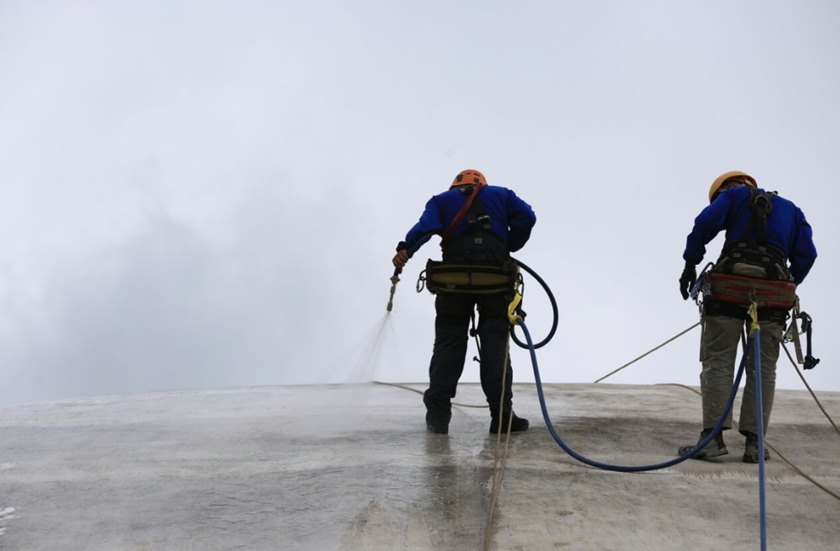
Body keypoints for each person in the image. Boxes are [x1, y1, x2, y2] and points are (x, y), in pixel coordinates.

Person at [677, 170, 817, 463]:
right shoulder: (791, 209)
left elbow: (705, 223)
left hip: (730, 286)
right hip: (773, 294)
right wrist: (786, 284)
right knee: (763, 367)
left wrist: (690, 264)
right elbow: (808, 254)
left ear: (724, 190)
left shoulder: (733, 196)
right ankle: (755, 444)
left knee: (718, 360)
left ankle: (712, 439)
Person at [392, 169, 537, 435]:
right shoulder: (502, 195)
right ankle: (502, 416)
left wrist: (406, 250)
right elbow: (527, 217)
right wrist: (510, 244)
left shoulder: (442, 200)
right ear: (483, 184)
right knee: (495, 342)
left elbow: (424, 229)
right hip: (494, 278)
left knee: (449, 341)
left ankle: (438, 416)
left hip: (454, 279)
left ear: (455, 186)